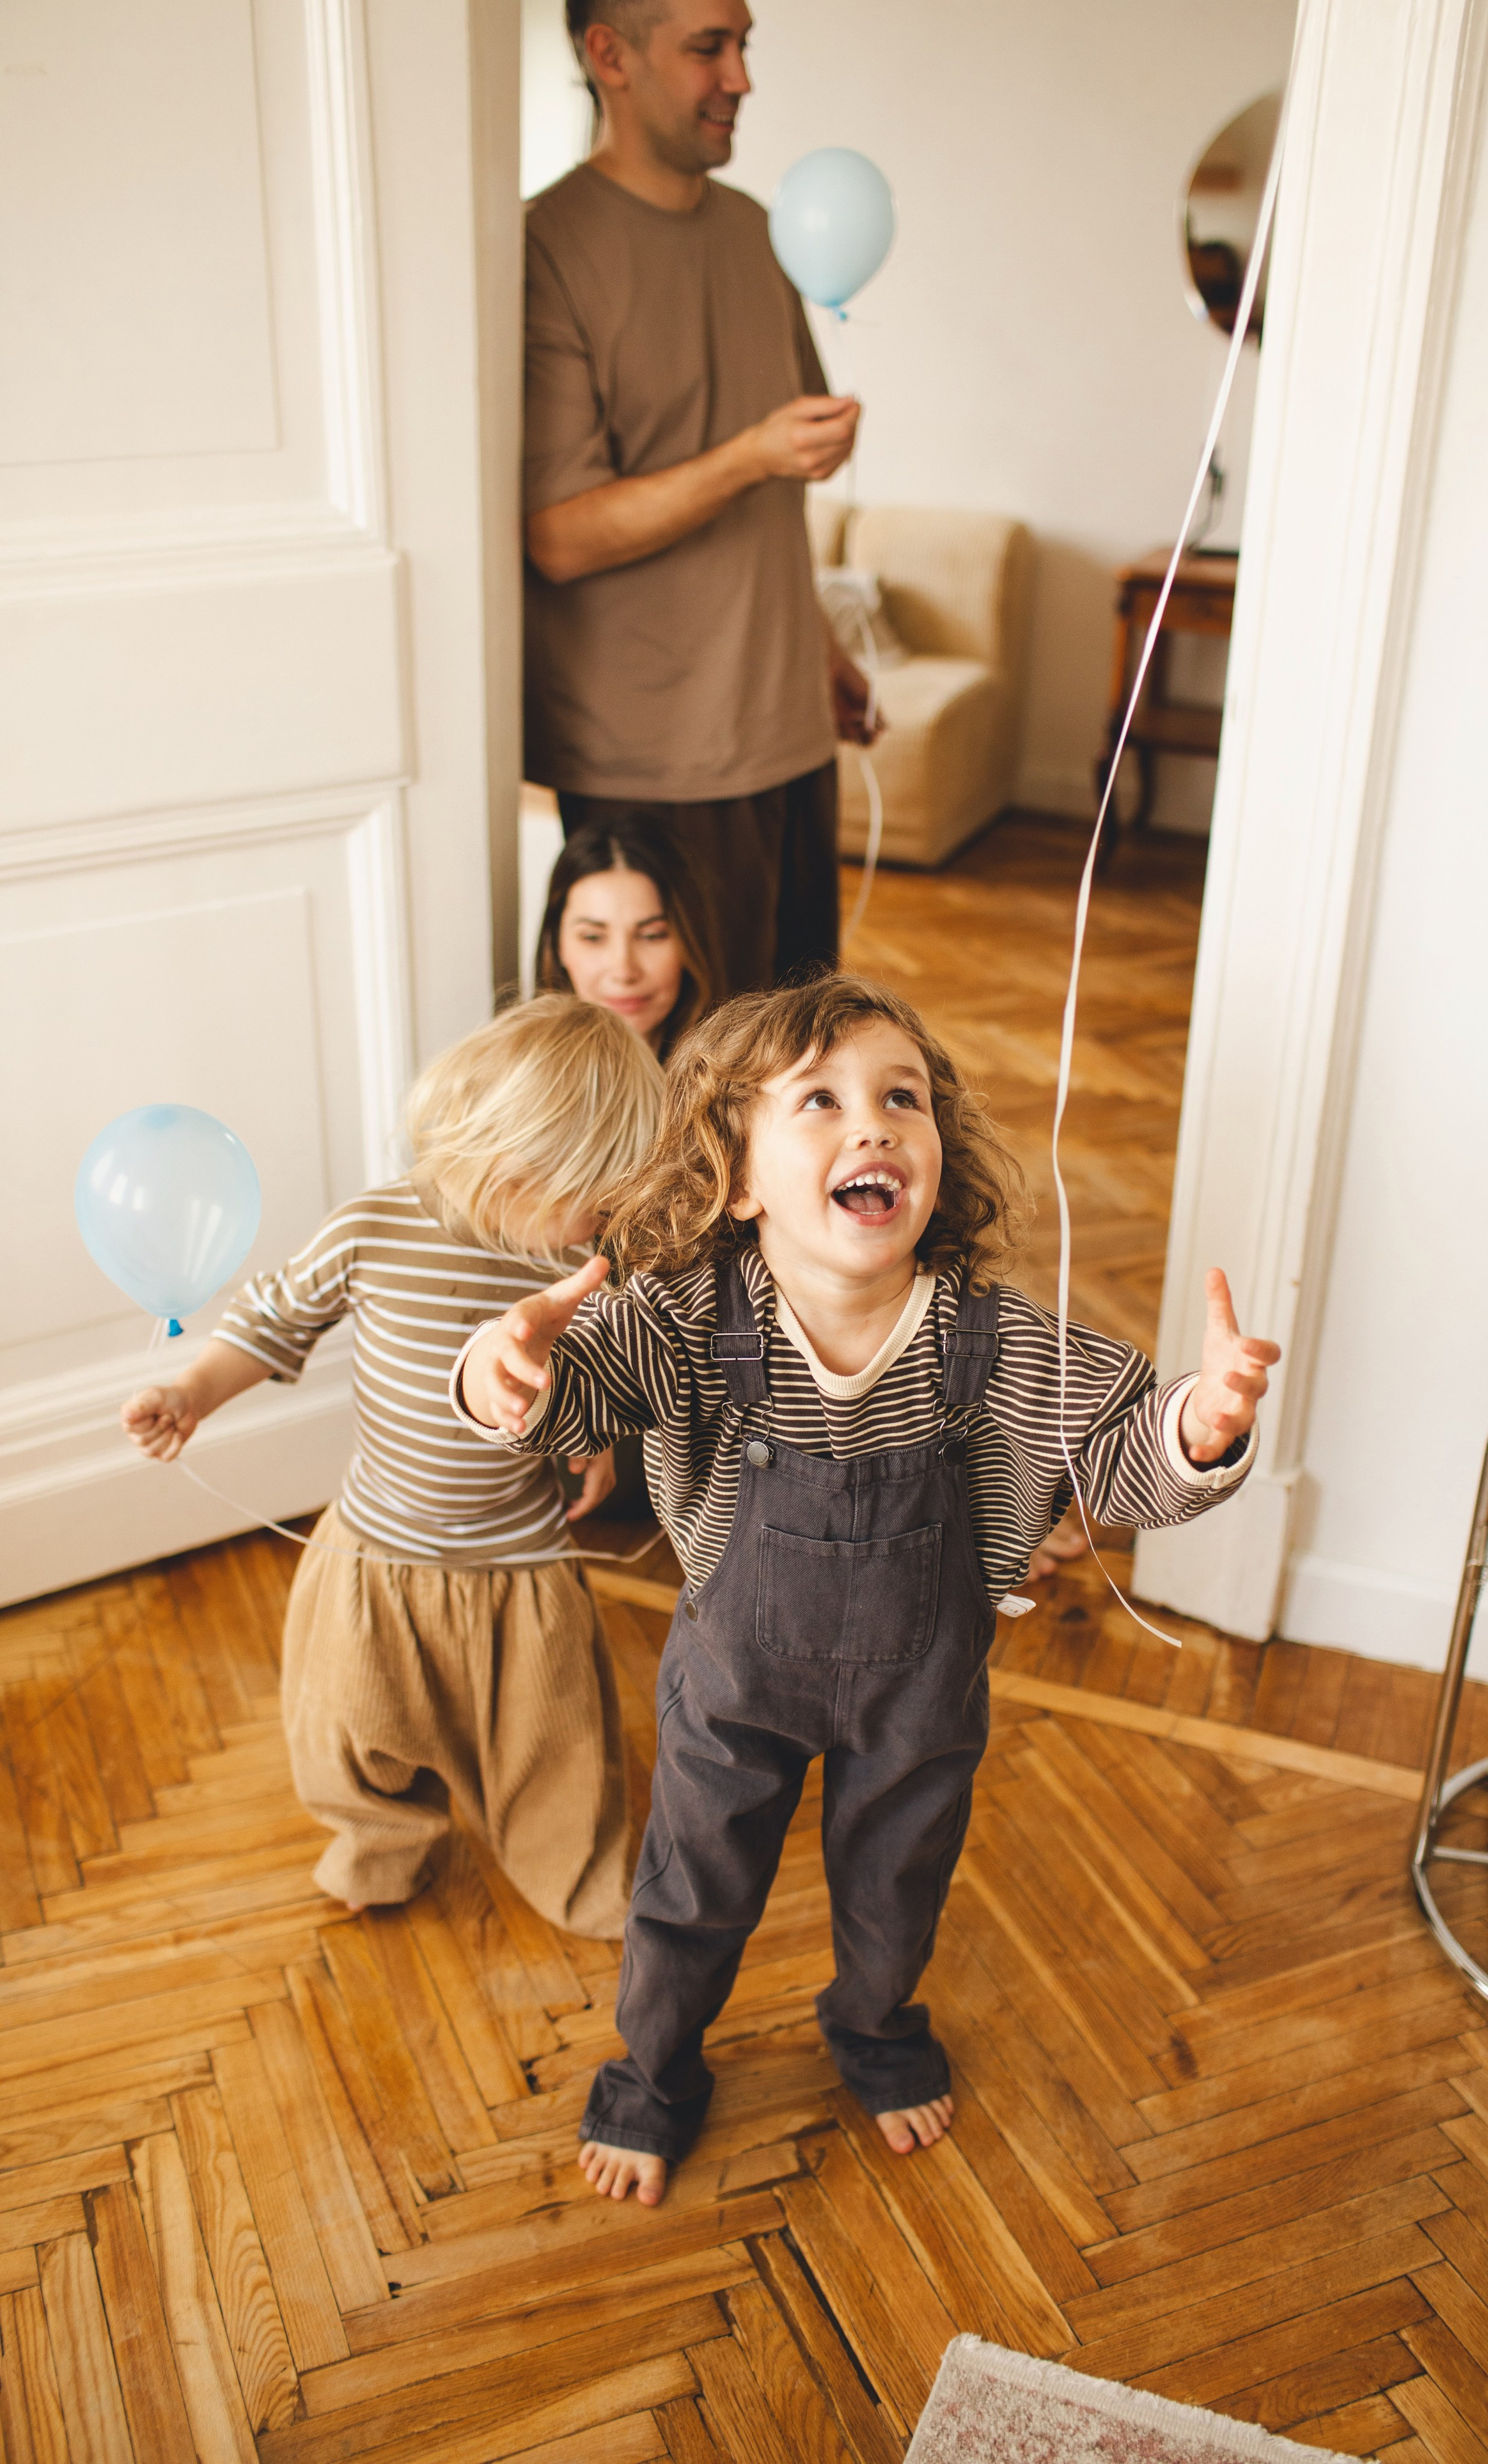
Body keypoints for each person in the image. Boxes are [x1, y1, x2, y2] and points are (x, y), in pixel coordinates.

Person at [453, 976, 1279, 2203]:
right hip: (733, 1683)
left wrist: (1203, 1426)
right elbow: (564, 1397)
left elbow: (1123, 1456)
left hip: (921, 1696)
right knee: (690, 1889)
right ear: (737, 1178)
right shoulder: (679, 1321)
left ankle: (876, 2027)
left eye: (904, 1096)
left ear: (937, 1155)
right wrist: (499, 1372)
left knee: (898, 1884)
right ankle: (655, 2072)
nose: (875, 1123)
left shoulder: (999, 1339)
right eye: (821, 1101)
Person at [120, 995, 664, 1933]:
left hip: (519, 1564)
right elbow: (271, 1318)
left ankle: (577, 1874)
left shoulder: (577, 1264)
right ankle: (381, 1845)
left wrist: (593, 1443)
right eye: (602, 1193)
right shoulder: (371, 1226)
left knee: (556, 1743)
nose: (610, 1219)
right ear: (527, 1162)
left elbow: (593, 1373)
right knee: (346, 1725)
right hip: (375, 1551)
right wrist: (194, 1393)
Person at [522, 0, 881, 1001]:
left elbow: (777, 494)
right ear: (610, 55)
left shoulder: (764, 237)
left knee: (794, 1048)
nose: (741, 79)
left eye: (745, 45)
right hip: (654, 759)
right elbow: (557, 533)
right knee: (690, 1089)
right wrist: (752, 455)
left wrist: (818, 651)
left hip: (788, 731)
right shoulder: (545, 248)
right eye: (707, 49)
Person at [537, 820, 717, 1058]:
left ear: (690, 940)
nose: (624, 972)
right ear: (558, 944)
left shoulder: (744, 1084)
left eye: (652, 936)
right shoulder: (513, 1079)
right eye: (593, 937)